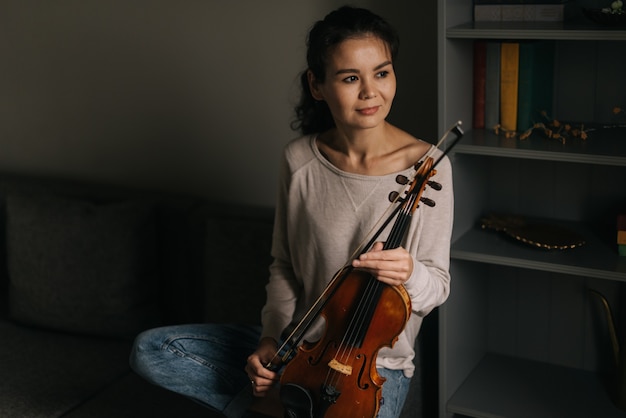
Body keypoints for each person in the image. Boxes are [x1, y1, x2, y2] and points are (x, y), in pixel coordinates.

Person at [130, 5, 453, 418]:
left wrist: (410, 272)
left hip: (375, 368)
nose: (371, 92)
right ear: (317, 85)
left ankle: (279, 410)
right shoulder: (299, 160)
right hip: (299, 348)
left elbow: (438, 285)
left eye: (382, 72)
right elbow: (284, 265)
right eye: (350, 78)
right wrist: (269, 342)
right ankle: (284, 402)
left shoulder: (431, 165)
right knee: (152, 350)